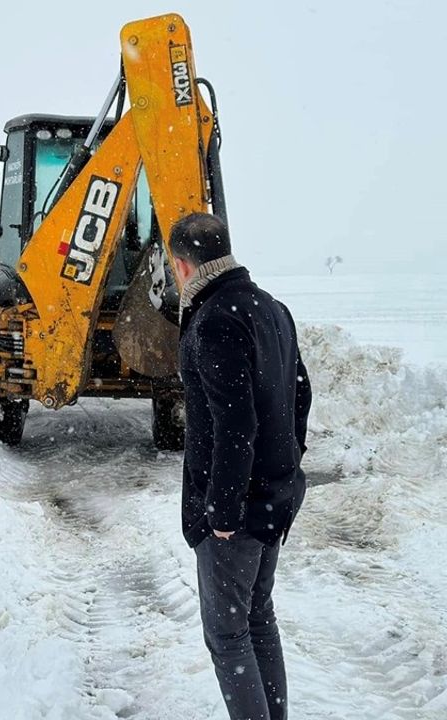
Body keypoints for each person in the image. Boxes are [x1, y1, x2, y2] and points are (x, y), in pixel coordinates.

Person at [170, 212, 311, 720]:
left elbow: (235, 426)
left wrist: (223, 512)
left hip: (239, 512)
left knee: (228, 636)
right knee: (257, 619)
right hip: (274, 497)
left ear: (183, 266)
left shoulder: (214, 321)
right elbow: (301, 394)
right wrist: (288, 470)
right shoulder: (271, 309)